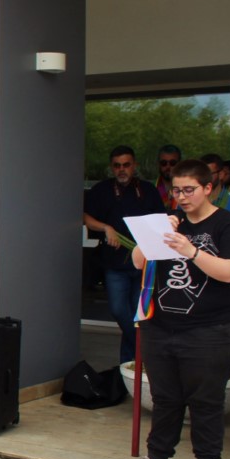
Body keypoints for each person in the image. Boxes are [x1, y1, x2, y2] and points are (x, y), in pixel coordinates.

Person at [120, 159, 230, 459]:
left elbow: (229, 272)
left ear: (208, 188)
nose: (182, 196)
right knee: (165, 398)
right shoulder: (169, 222)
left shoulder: (227, 224)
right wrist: (155, 235)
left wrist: (191, 251)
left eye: (189, 189)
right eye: (176, 190)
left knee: (206, 400)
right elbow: (136, 262)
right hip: (161, 325)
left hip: (211, 328)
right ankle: (157, 458)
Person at [83, 145, 165, 364]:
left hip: (142, 262)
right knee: (119, 310)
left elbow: (160, 221)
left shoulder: (147, 190)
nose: (122, 169)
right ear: (112, 167)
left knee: (137, 316)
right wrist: (106, 228)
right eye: (117, 165)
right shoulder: (102, 189)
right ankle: (144, 348)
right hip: (114, 263)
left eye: (126, 165)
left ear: (134, 165)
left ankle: (129, 365)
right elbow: (86, 217)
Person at [154, 144, 182, 210]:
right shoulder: (150, 188)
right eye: (164, 163)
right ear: (158, 164)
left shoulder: (188, 189)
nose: (168, 167)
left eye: (173, 163)